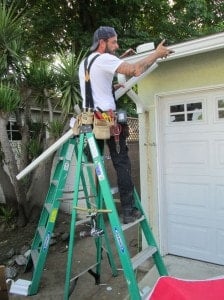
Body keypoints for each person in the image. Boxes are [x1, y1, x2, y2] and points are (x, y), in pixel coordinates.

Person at [79, 26, 173, 224]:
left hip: (89, 121)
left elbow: (95, 83)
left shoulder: (86, 62)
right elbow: (135, 70)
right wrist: (156, 53)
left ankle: (98, 212)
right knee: (122, 162)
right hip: (106, 119)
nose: (117, 45)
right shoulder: (105, 59)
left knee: (97, 164)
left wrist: (111, 86)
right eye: (113, 42)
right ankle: (128, 211)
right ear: (102, 43)